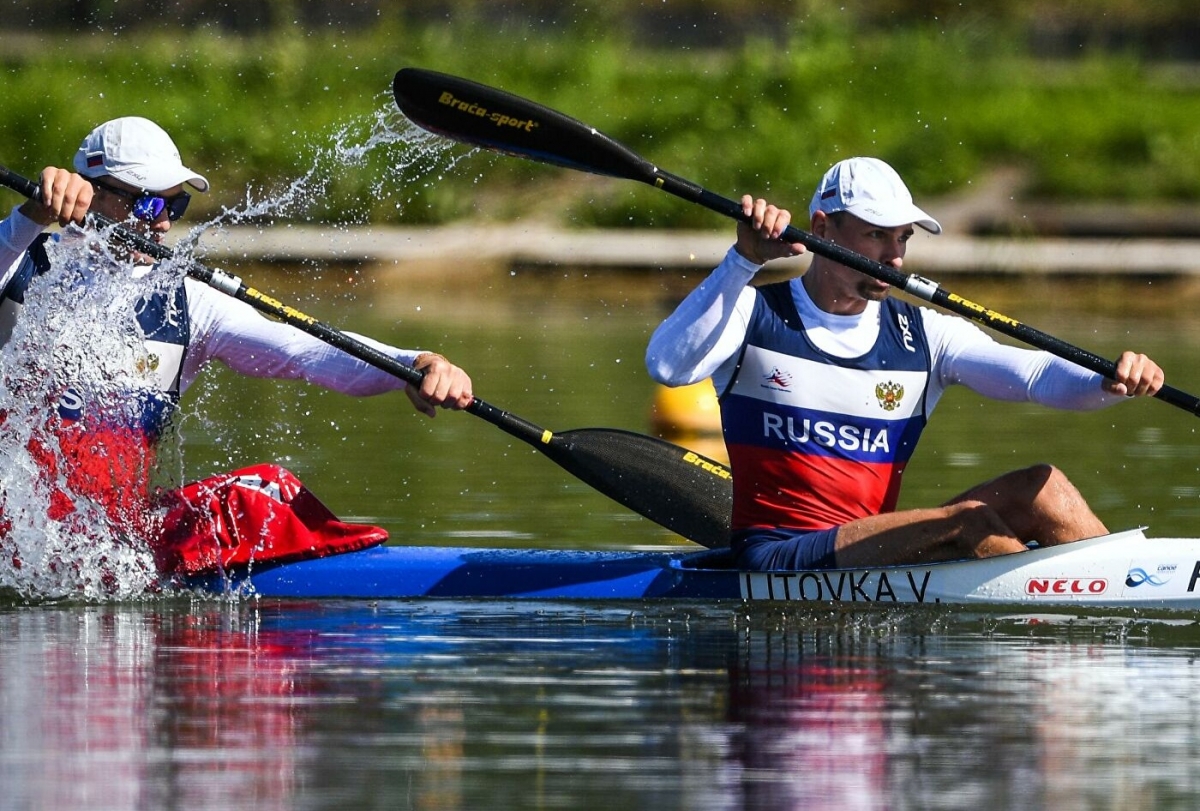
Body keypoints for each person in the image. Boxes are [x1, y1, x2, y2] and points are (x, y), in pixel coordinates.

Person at [0, 116, 474, 580]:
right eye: (150, 206)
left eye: (176, 205)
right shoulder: (23, 264)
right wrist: (29, 217)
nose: (164, 225)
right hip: (16, 535)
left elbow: (302, 350)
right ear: (92, 193)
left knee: (267, 492)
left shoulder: (189, 303)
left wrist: (410, 364)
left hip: (108, 549)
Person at [646, 156, 1165, 571]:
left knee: (1043, 487)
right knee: (968, 524)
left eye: (903, 238)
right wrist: (743, 260)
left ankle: (1125, 591)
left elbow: (1033, 376)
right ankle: (1061, 615)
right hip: (778, 556)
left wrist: (1107, 380)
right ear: (823, 228)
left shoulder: (924, 335)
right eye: (876, 235)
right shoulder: (753, 310)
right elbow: (668, 368)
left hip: (869, 548)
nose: (894, 255)